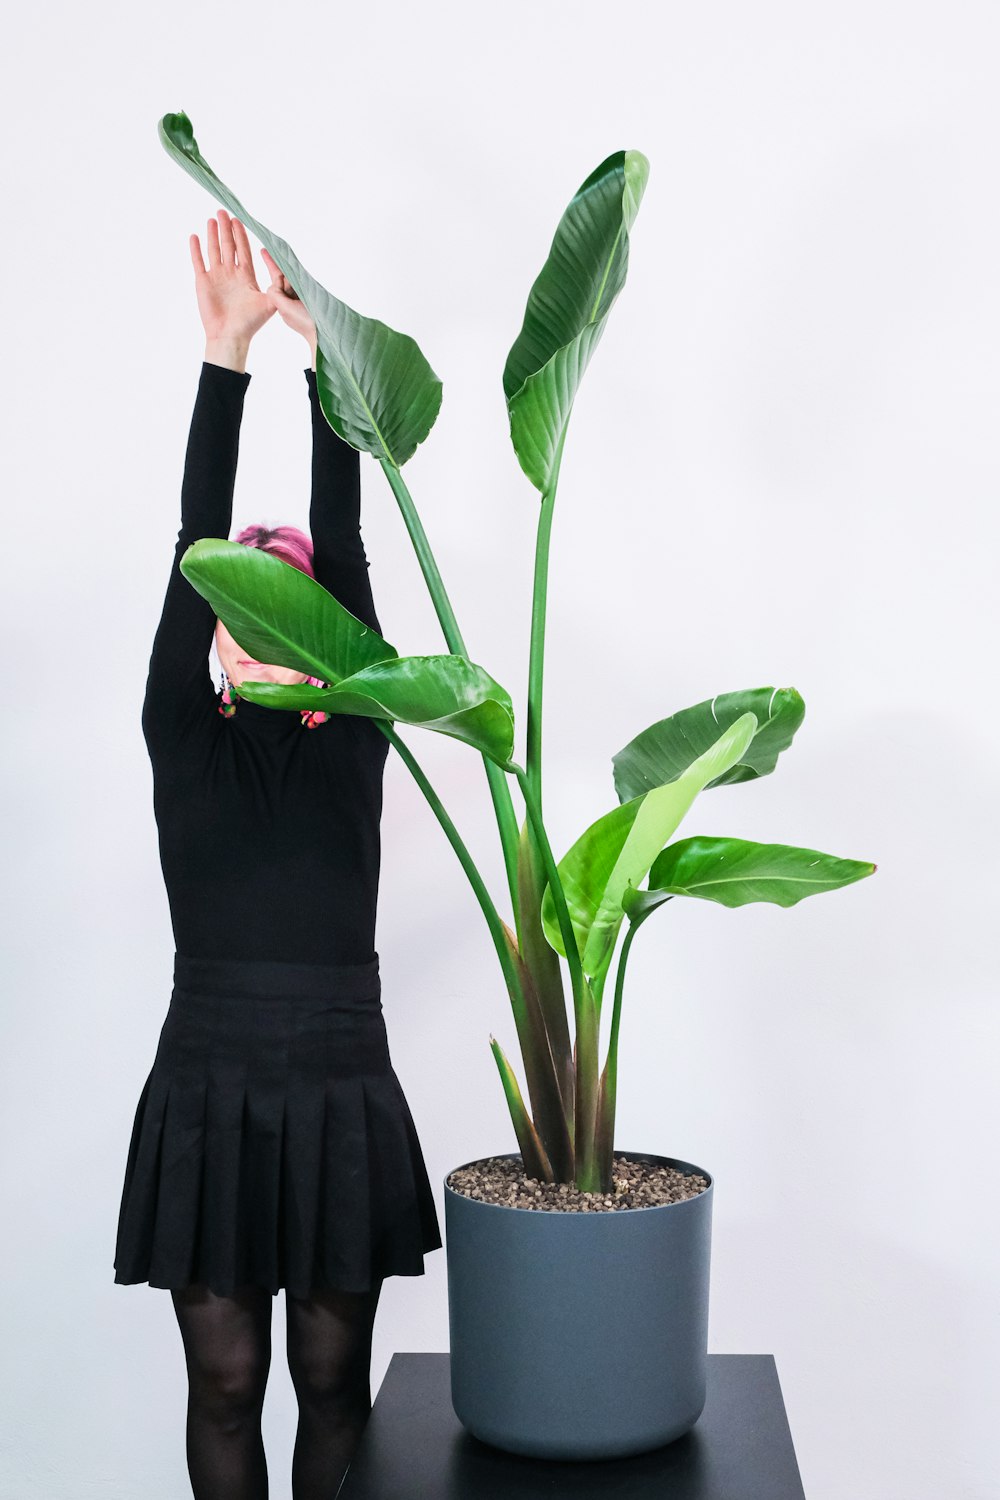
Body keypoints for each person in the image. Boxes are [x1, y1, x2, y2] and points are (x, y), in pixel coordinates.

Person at [113, 207, 442, 1499]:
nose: (253, 622)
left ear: (322, 636)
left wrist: (325, 368)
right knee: (227, 1382)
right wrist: (222, 359)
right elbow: (193, 532)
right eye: (233, 607)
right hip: (209, 1080)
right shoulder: (179, 734)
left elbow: (344, 545)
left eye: (282, 602)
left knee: (330, 1384)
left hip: (337, 1079)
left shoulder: (358, 730)